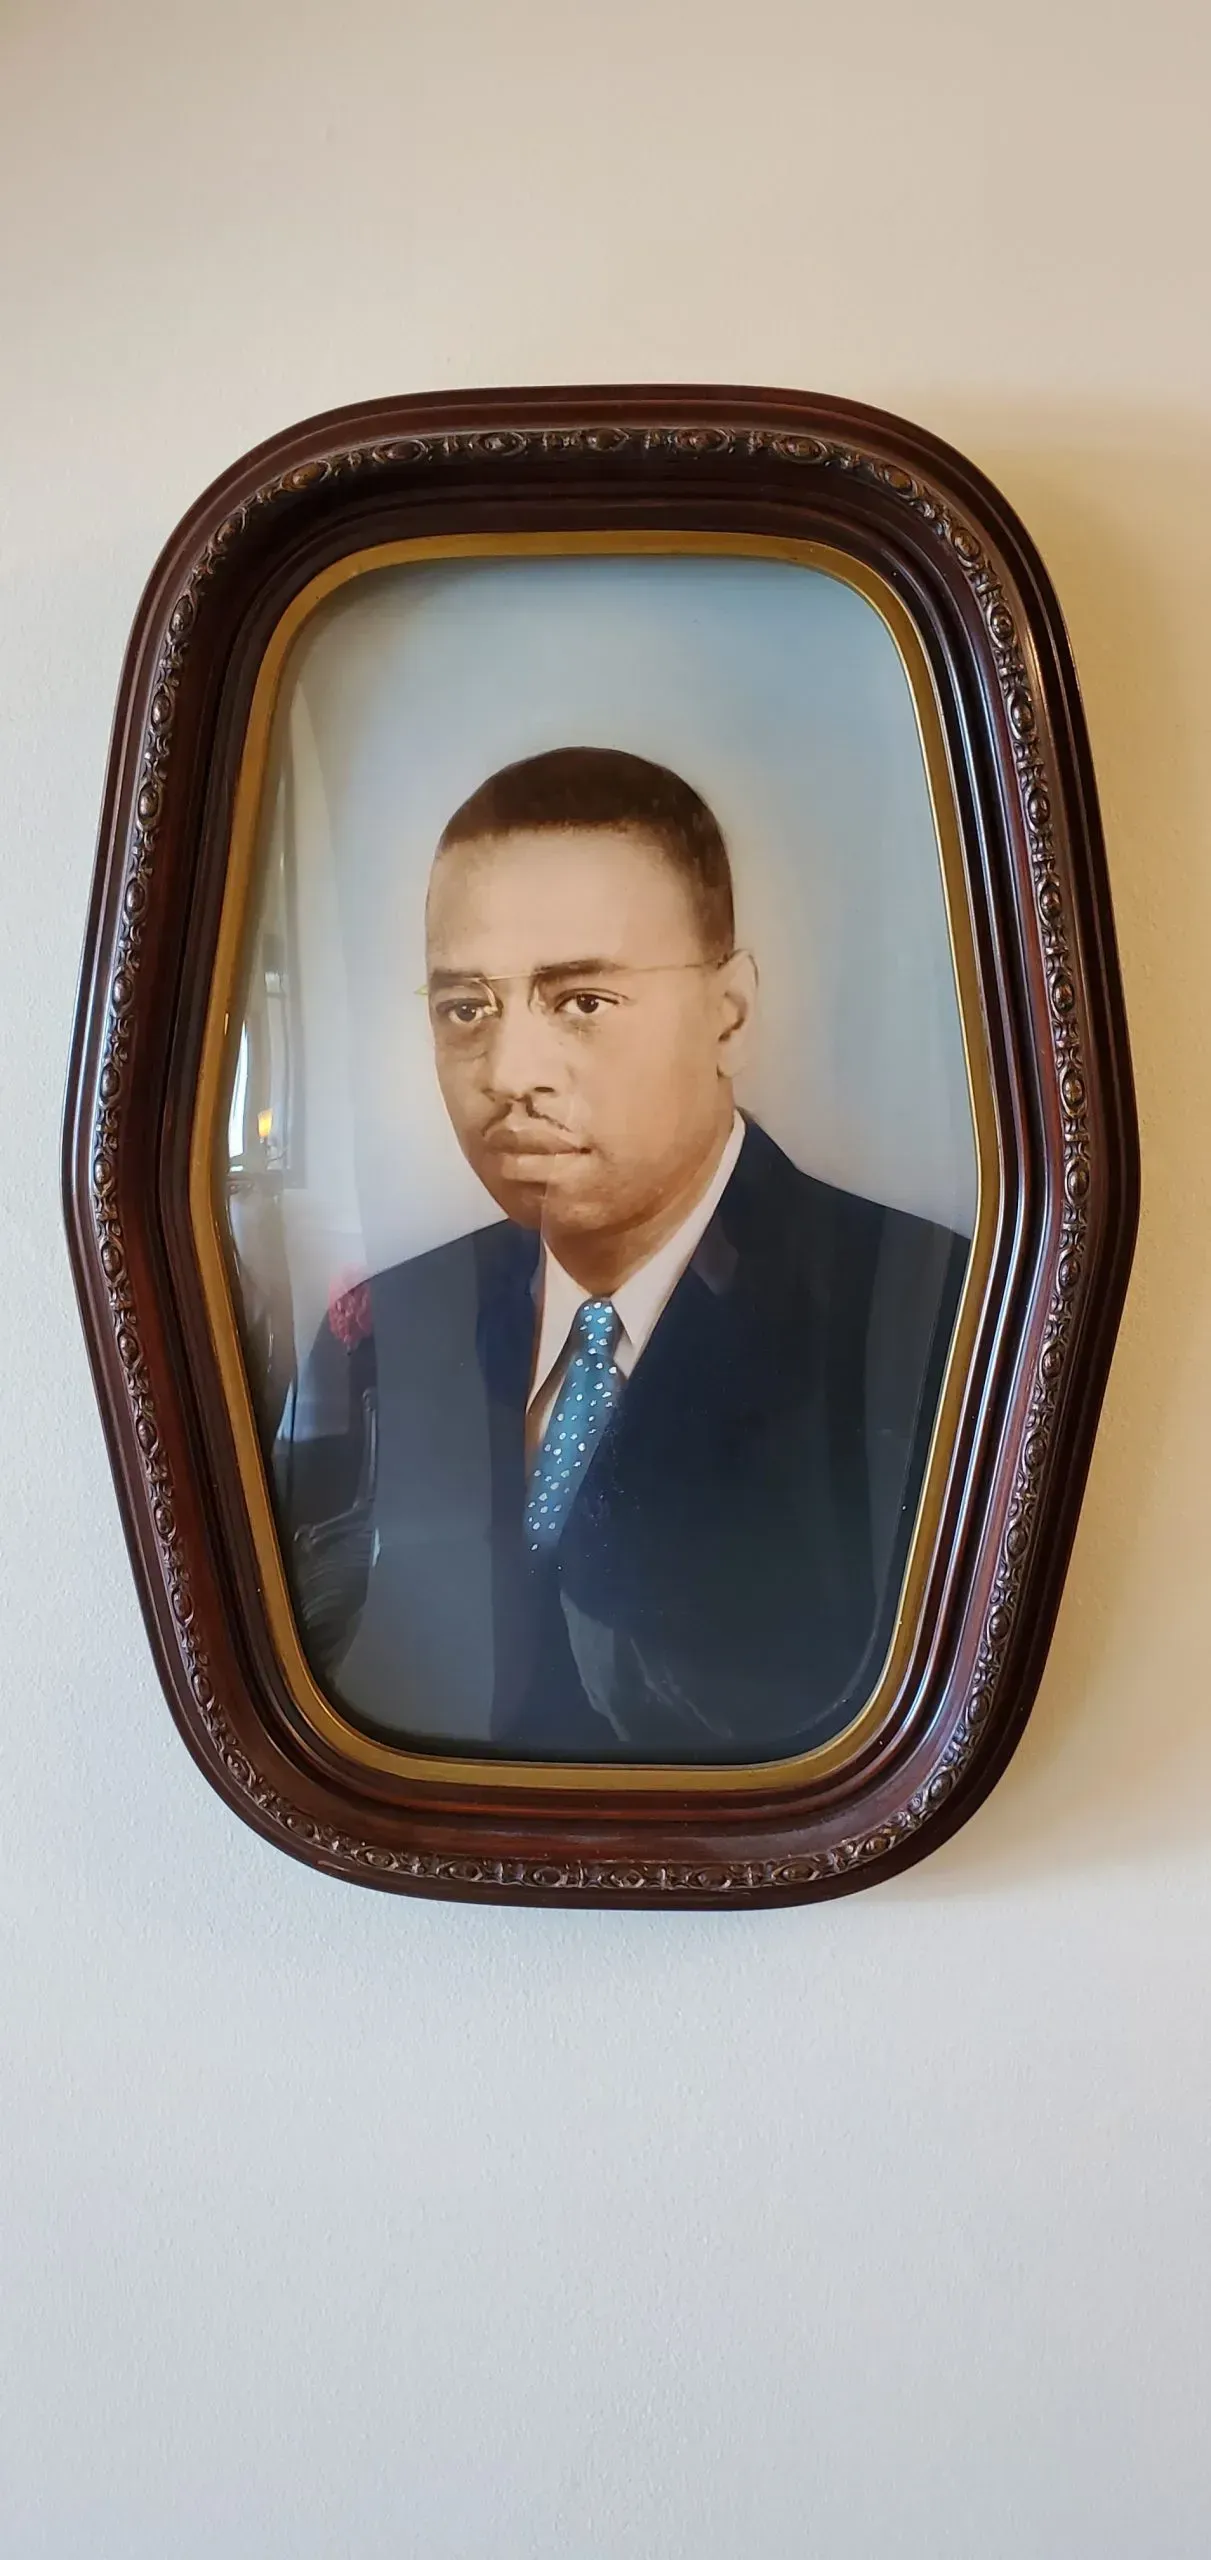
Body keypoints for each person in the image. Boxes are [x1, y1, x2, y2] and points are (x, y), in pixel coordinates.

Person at [274, 746, 969, 1763]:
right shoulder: (397, 1317)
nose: (509, 1073)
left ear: (727, 1011)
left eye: (581, 1002)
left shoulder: (925, 1311)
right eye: (464, 1008)